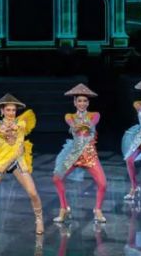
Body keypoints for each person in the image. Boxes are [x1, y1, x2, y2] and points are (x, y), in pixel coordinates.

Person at [0, 94, 44, 235]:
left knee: (32, 192)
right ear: (2, 111)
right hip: (2, 161)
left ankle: (39, 220)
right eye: (8, 110)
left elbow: (20, 126)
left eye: (13, 110)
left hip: (18, 161)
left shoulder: (21, 122)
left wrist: (14, 126)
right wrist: (0, 128)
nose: (11, 112)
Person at [52, 83, 107, 223]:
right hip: (74, 154)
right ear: (75, 103)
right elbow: (74, 126)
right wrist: (77, 124)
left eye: (85, 101)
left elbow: (91, 124)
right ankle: (64, 208)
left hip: (89, 155)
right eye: (79, 101)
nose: (82, 103)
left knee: (103, 184)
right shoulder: (69, 116)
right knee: (57, 178)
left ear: (88, 102)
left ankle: (98, 210)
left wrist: (84, 123)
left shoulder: (95, 115)